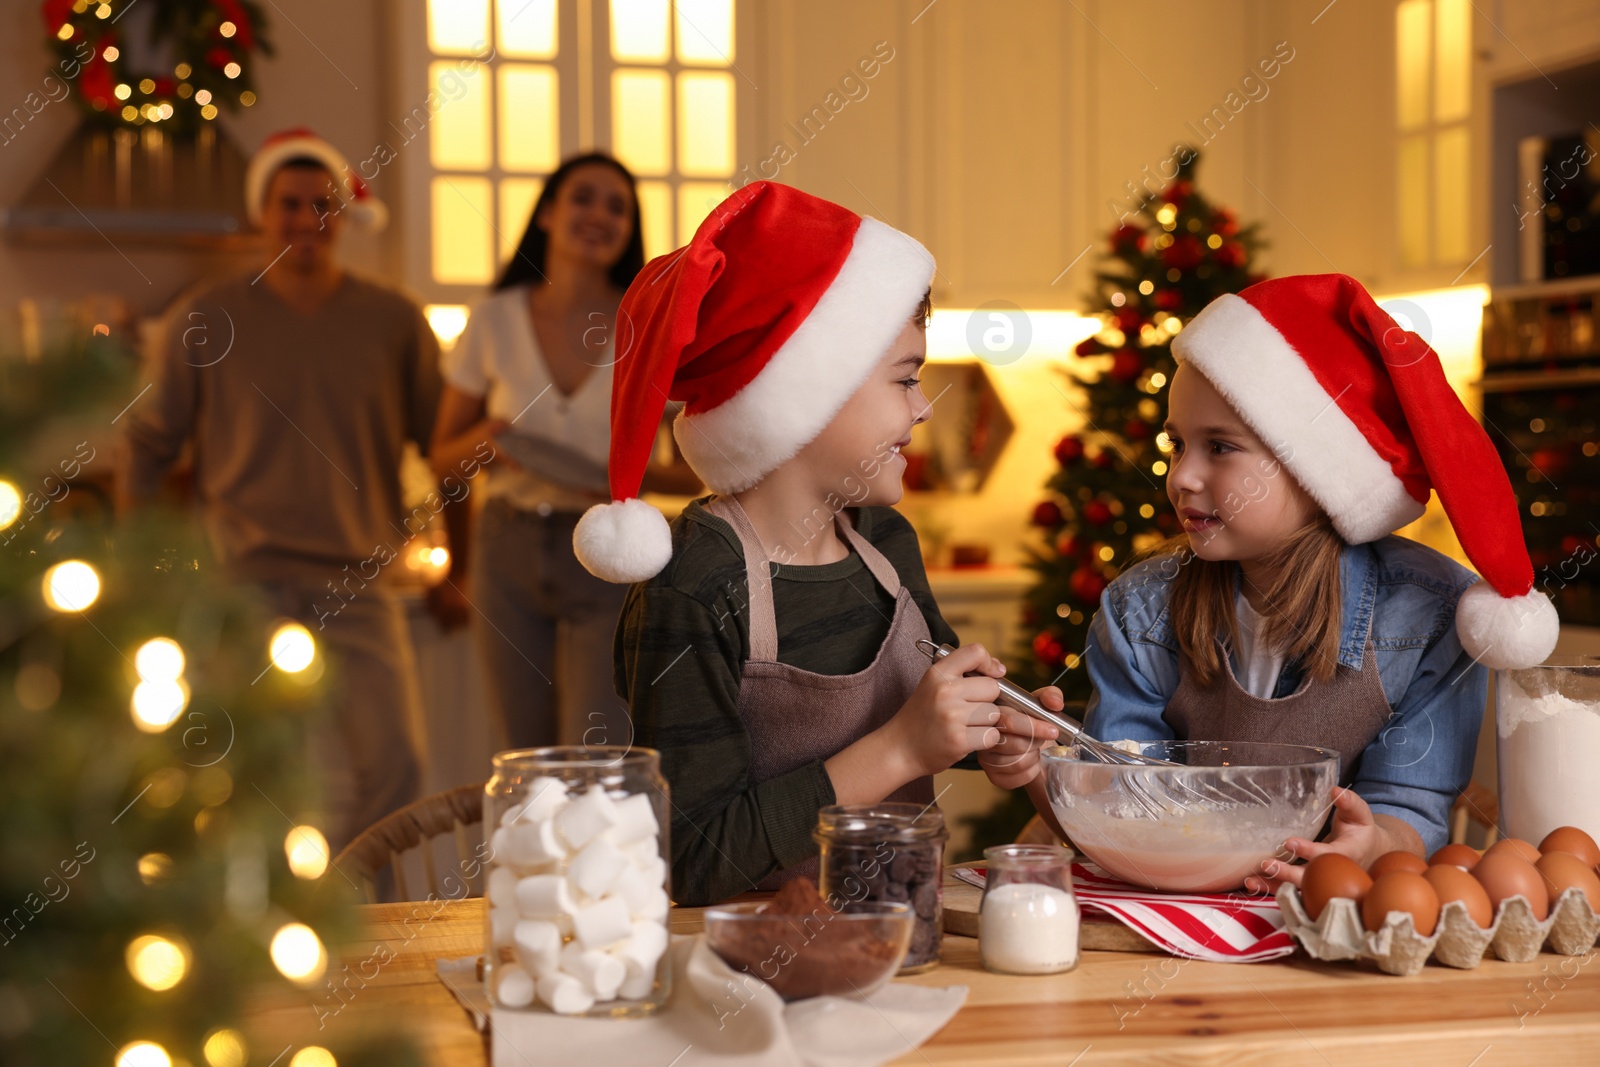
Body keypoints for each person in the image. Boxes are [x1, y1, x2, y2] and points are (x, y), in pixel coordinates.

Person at [573, 181, 1063, 906]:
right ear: (808, 395)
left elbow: (940, 705)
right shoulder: (694, 589)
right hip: (747, 983)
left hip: (899, 938)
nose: (924, 408)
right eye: (906, 379)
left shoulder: (885, 544)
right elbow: (690, 857)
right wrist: (899, 749)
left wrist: (996, 730)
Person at [1079, 273, 1559, 888]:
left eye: (1220, 447)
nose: (1183, 477)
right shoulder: (1139, 608)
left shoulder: (1433, 616)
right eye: (1177, 445)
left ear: (1317, 470)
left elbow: (1410, 807)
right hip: (1180, 902)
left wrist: (1372, 844)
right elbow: (1124, 797)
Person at [119, 128, 457, 850]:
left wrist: (452, 558)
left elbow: (444, 449)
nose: (308, 219)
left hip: (361, 581)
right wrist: (143, 564)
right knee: (239, 776)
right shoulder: (207, 316)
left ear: (343, 215)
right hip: (242, 584)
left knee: (398, 768)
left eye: (323, 204)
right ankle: (257, 939)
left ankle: (363, 934)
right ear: (261, 215)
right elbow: (148, 445)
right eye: (290, 204)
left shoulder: (394, 321)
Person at [429, 153, 698, 751]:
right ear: (548, 213)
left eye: (617, 206)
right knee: (521, 754)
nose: (599, 214)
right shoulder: (494, 320)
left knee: (596, 754)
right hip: (506, 549)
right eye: (584, 197)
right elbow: (442, 461)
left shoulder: (647, 325)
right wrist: (484, 444)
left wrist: (636, 476)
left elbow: (703, 465)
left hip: (608, 554)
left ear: (630, 229)